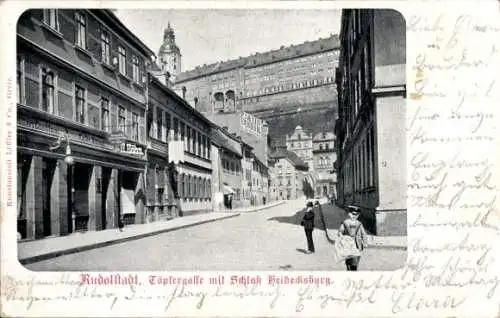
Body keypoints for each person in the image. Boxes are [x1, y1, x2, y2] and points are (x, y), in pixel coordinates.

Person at [337, 206, 367, 271]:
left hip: (357, 245)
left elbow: (363, 233)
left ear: (358, 215)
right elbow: (340, 231)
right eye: (353, 214)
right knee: (349, 261)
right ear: (349, 214)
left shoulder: (359, 224)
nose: (354, 216)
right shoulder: (345, 223)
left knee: (355, 262)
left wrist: (365, 242)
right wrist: (341, 236)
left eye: (356, 215)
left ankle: (353, 270)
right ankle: (349, 270)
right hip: (348, 244)